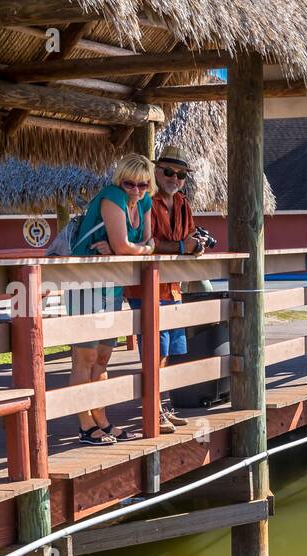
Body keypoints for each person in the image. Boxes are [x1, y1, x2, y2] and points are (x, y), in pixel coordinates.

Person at [68, 153, 156, 446]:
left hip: (112, 283)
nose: (136, 190)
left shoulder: (144, 202)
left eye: (142, 184)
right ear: (120, 180)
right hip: (85, 281)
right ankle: (85, 424)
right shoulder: (112, 196)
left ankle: (101, 419)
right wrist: (133, 248)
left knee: (104, 357)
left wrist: (135, 249)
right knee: (86, 356)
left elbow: (147, 241)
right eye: (129, 183)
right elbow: (124, 244)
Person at [123, 145, 205, 433]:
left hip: (172, 288)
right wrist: (184, 247)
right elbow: (147, 242)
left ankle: (160, 406)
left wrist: (196, 245)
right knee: (153, 351)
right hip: (145, 288)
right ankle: (152, 409)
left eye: (181, 174)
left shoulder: (182, 202)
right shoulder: (145, 201)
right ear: (156, 172)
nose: (175, 178)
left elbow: (191, 234)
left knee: (168, 351)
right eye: (169, 172)